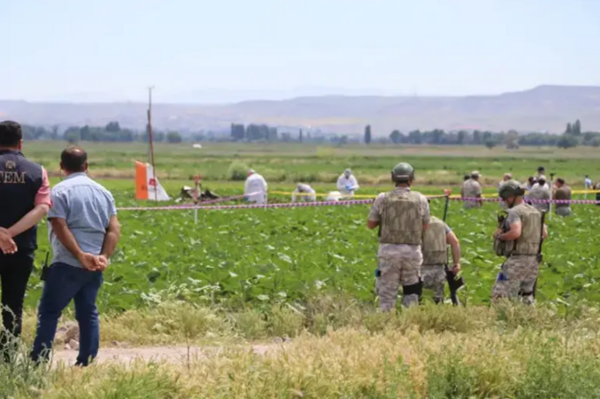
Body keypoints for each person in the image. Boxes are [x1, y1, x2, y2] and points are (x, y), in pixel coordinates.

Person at [30, 147, 121, 366]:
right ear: (86, 166)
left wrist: (80, 255)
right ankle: (86, 360)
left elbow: (60, 227)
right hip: (95, 266)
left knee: (50, 312)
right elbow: (113, 228)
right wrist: (104, 256)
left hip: (67, 263)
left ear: (62, 167)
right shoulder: (104, 192)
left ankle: (38, 362)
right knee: (87, 311)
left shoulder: (59, 192)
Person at [0, 121, 52, 357]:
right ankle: (8, 357)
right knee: (13, 304)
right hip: (20, 249)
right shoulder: (37, 171)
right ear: (20, 143)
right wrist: (9, 234)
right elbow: (42, 208)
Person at [367, 162, 430, 310]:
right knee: (411, 291)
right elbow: (425, 226)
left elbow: (370, 224)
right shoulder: (421, 199)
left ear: (393, 178)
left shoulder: (382, 198)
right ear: (411, 179)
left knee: (387, 294)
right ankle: (409, 323)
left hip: (388, 251)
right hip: (412, 252)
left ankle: (386, 324)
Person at [492, 180, 547, 304]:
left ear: (510, 196)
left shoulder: (514, 212)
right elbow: (544, 234)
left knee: (500, 292)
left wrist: (500, 236)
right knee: (526, 295)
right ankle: (529, 320)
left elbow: (515, 232)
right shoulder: (534, 211)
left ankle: (502, 320)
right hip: (533, 261)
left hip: (517, 261)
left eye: (505, 198)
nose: (504, 202)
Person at [421, 213, 461, 304]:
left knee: (417, 302)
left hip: (418, 270)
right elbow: (455, 242)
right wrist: (457, 263)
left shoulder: (412, 222)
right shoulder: (440, 223)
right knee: (437, 302)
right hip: (438, 271)